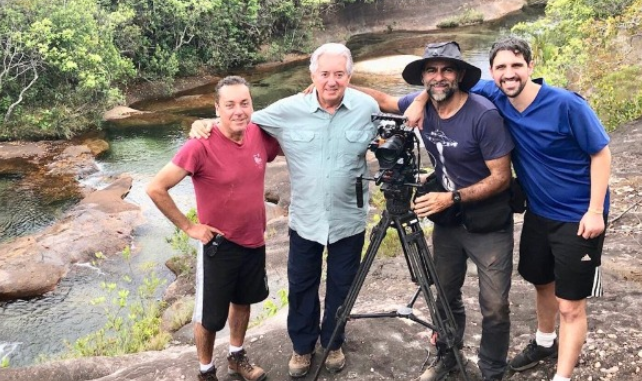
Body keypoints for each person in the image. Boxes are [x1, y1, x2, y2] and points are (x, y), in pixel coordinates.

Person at [405, 36, 611, 381]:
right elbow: (443, 81)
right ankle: (545, 342)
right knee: (541, 282)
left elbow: (601, 153)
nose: (509, 73)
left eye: (517, 65)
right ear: (491, 72)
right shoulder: (497, 93)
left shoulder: (566, 104)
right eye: (501, 67)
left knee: (570, 305)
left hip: (578, 215)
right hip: (539, 212)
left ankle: (561, 377)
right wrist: (422, 97)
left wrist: (594, 210)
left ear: (531, 66)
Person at [190, 43, 380, 377]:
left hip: (349, 218)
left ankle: (334, 342)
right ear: (312, 75)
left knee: (341, 285)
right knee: (302, 285)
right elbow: (241, 119)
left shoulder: (367, 107)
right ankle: (303, 348)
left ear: (349, 75)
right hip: (306, 219)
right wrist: (205, 121)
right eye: (324, 74)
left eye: (339, 74)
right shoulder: (289, 109)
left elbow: (397, 121)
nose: (331, 81)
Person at [350, 41, 514, 381]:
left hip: (487, 223)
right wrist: (337, 82)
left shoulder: (483, 115)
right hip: (449, 224)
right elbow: (384, 100)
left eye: (447, 69)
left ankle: (493, 371)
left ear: (459, 75)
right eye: (431, 70)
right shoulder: (420, 104)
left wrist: (449, 197)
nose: (439, 77)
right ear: (423, 77)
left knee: (495, 305)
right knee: (445, 293)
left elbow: (501, 178)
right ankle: (448, 355)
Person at [147, 76, 280, 381]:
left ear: (252, 105)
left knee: (243, 301)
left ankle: (236, 356)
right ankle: (206, 372)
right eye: (229, 104)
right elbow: (156, 188)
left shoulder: (258, 135)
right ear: (216, 108)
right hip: (219, 245)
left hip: (253, 240)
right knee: (209, 317)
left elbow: (295, 136)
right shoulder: (200, 145)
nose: (238, 111)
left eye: (244, 103)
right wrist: (189, 226)